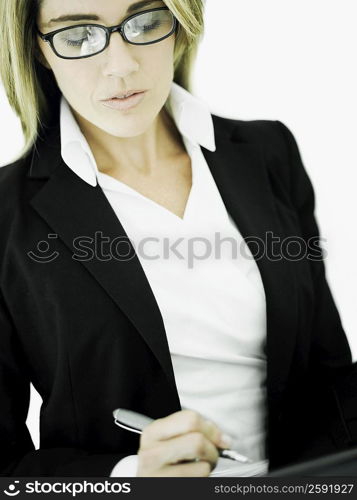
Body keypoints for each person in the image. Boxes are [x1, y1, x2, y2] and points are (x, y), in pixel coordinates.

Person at [0, 0, 356, 478]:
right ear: (38, 49)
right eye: (77, 35)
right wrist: (131, 477)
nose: (121, 65)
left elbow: (329, 376)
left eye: (145, 22)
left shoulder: (268, 153)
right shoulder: (7, 215)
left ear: (180, 24)